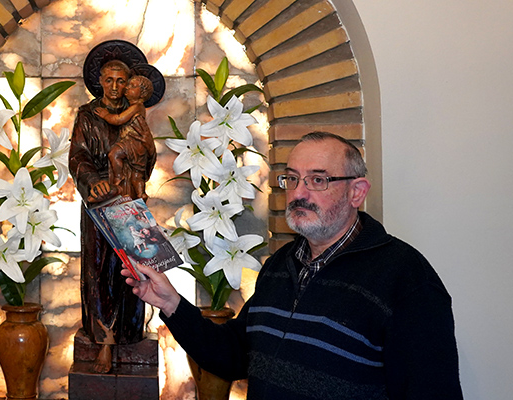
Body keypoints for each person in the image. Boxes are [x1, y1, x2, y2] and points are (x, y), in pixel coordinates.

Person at [123, 132, 463, 399]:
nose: (300, 193)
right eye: (292, 179)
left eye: (318, 180)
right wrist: (170, 303)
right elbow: (233, 357)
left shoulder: (405, 277)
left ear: (357, 192)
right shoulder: (282, 264)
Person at [69, 59, 151, 373]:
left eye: (121, 81)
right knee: (99, 269)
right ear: (99, 82)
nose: (115, 88)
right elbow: (77, 156)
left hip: (129, 195)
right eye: (109, 81)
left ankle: (129, 332)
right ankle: (104, 339)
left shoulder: (135, 112)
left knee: (130, 267)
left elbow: (147, 150)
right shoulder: (88, 115)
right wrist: (93, 180)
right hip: (98, 200)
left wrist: (134, 167)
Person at [94, 75, 157, 201]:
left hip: (133, 143)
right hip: (138, 147)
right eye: (109, 80)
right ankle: (141, 193)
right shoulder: (135, 107)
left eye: (131, 86)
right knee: (136, 175)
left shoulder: (136, 107)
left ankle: (118, 177)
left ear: (142, 94)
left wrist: (106, 115)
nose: (126, 87)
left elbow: (118, 119)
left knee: (114, 154)